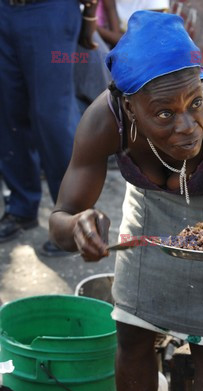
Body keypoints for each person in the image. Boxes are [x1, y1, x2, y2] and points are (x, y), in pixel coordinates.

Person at [49, 11, 203, 391]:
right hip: (151, 200)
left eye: (194, 103)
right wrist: (78, 227)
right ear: (129, 107)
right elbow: (61, 216)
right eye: (164, 113)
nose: (187, 126)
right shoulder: (103, 121)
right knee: (132, 325)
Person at [0, 0, 98, 254]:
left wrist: (90, 15)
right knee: (8, 114)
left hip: (49, 10)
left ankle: (72, 221)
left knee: (51, 117)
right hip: (5, 9)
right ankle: (21, 207)